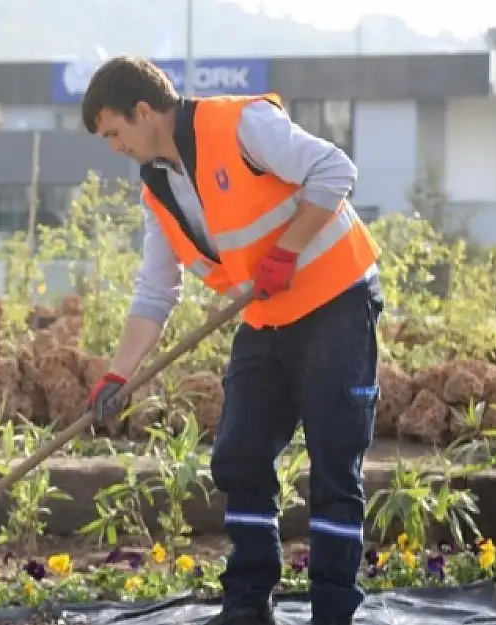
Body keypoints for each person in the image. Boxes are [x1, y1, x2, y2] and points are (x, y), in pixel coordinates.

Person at [81, 55, 384, 625]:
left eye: (114, 132)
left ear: (144, 111)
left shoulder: (239, 125)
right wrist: (118, 374)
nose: (113, 147)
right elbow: (154, 293)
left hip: (335, 303)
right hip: (268, 317)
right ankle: (248, 605)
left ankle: (335, 612)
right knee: (240, 455)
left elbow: (335, 170)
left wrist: (288, 249)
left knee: (334, 466)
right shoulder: (158, 191)